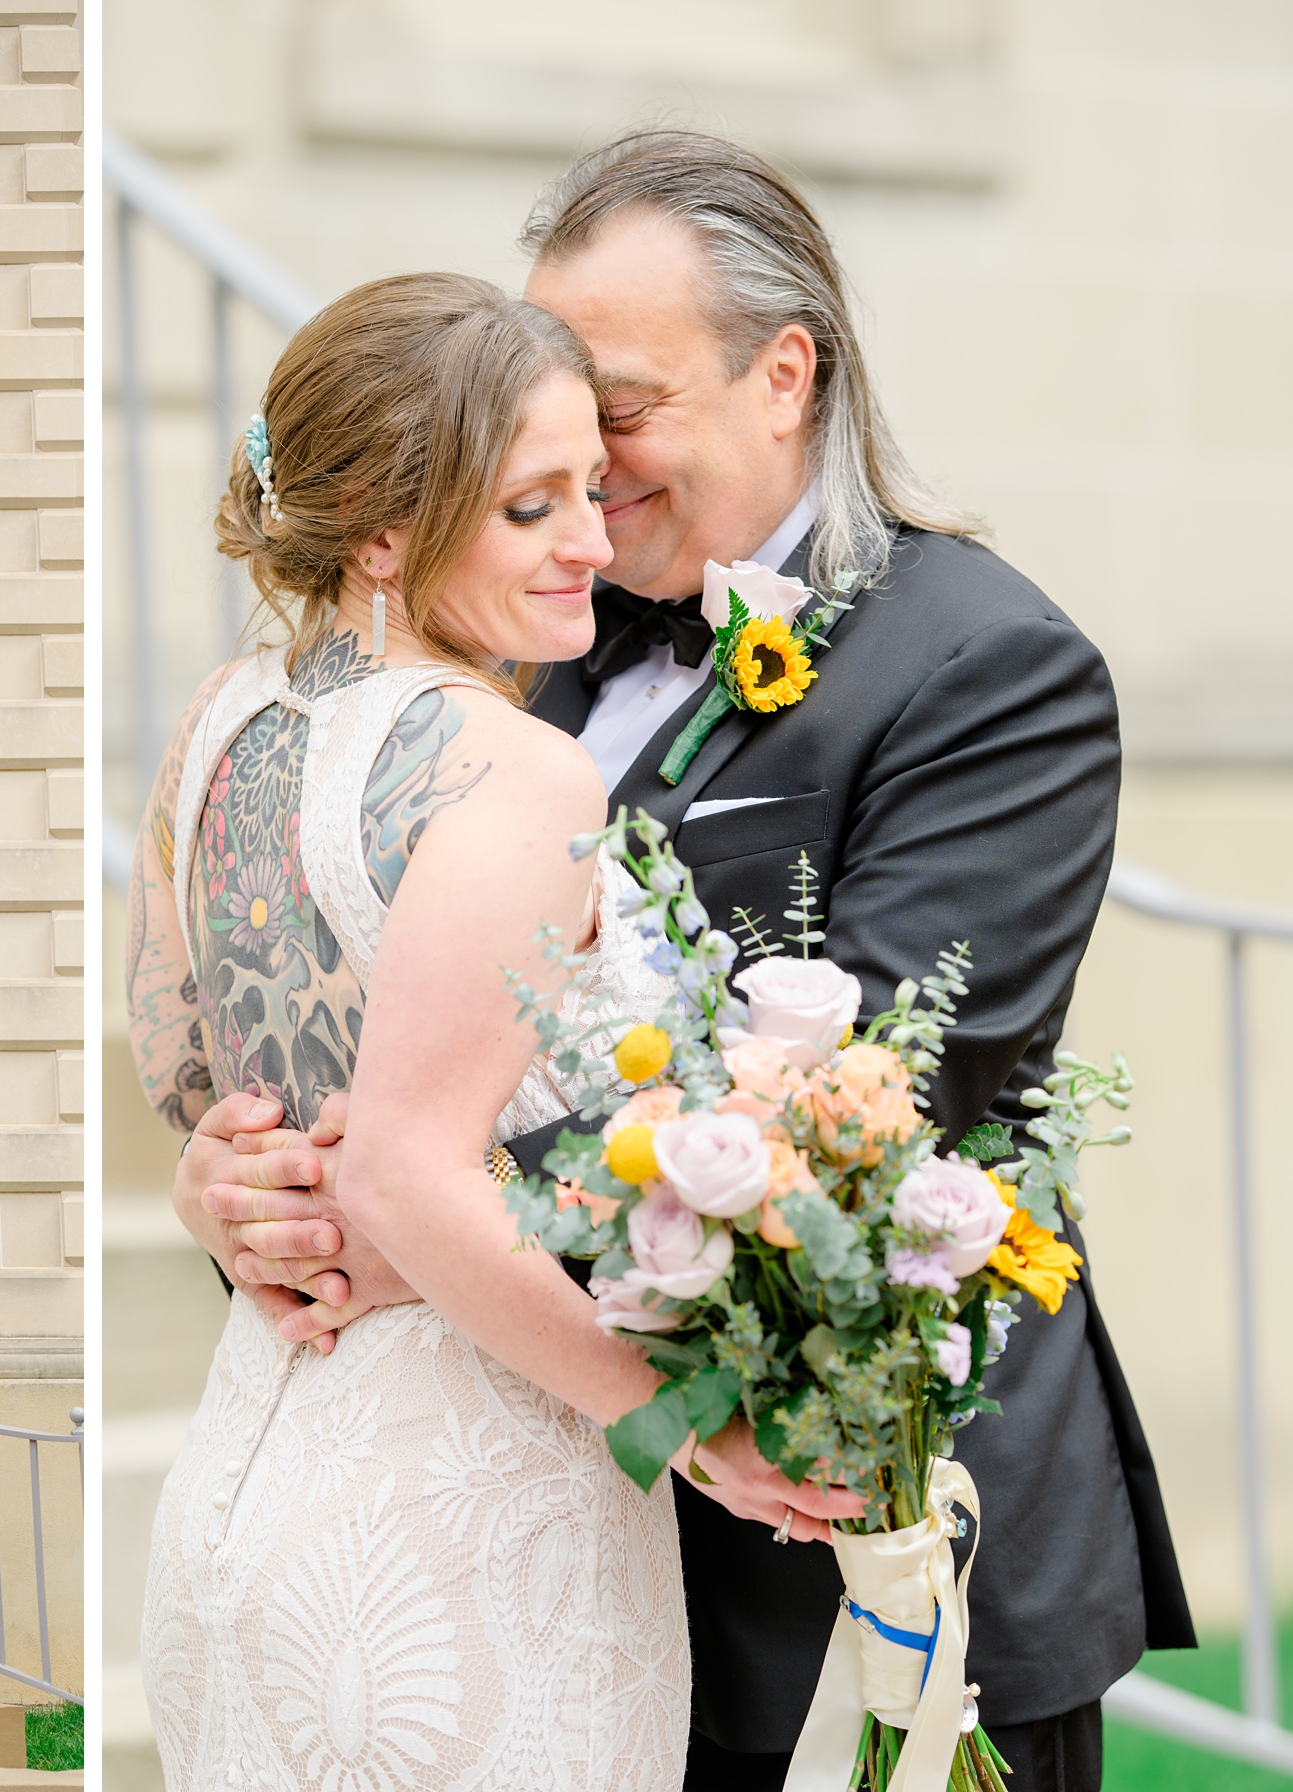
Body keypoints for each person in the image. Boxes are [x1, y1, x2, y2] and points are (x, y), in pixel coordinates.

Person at [189, 130, 1193, 1792]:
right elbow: (400, 1033)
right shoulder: (531, 656)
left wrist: (415, 1210)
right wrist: (250, 1191)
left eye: (623, 408)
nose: (580, 454)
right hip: (592, 1545)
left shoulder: (990, 666)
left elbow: (854, 1103)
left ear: (783, 373)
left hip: (857, 1538)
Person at [126, 271, 859, 1791]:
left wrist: (229, 1186)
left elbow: (188, 1085)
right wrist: (699, 1430)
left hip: (242, 1489)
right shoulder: (512, 772)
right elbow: (402, 1169)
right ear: (384, 532)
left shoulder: (212, 727)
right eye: (535, 508)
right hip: (464, 1544)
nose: (596, 539)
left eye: (591, 486)